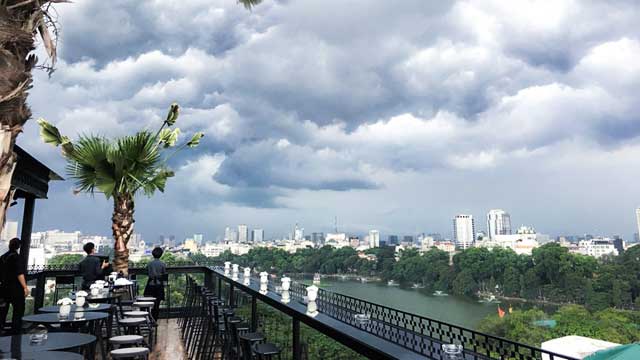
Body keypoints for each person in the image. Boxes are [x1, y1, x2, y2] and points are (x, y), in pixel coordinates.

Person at [0, 238, 29, 335]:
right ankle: (15, 331)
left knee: (3, 310)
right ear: (18, 246)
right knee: (18, 310)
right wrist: (25, 287)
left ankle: (2, 328)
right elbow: (19, 273)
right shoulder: (16, 257)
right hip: (16, 288)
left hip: (4, 288)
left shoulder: (3, 257)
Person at [144, 247, 167, 320]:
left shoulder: (149, 264)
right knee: (157, 303)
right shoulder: (162, 264)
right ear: (161, 254)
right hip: (159, 284)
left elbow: (146, 272)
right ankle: (155, 319)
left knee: (148, 301)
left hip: (150, 284)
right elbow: (164, 274)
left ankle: (148, 317)